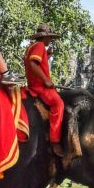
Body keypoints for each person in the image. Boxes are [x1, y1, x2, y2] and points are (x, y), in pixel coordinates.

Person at [25, 23, 65, 157]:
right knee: (58, 104)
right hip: (40, 87)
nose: (51, 40)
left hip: (33, 85)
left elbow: (35, 63)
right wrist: (46, 80)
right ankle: (55, 140)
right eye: (50, 38)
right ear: (45, 37)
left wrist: (47, 56)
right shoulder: (40, 46)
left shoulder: (31, 46)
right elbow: (32, 63)